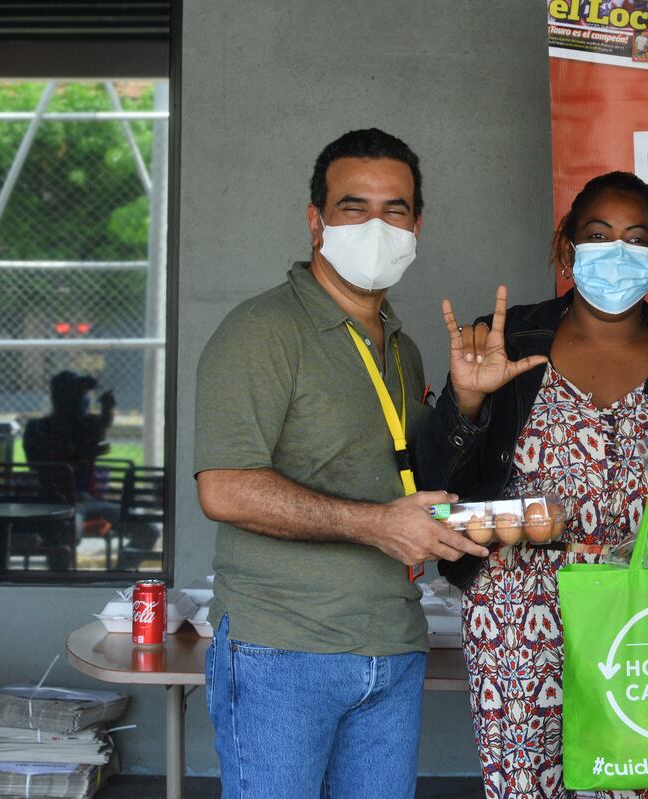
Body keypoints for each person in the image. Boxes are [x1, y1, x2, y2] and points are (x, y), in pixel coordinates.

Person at [193, 127, 487, 798]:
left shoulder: (402, 348)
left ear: (418, 225)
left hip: (392, 643)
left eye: (396, 209)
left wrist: (466, 404)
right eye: (354, 207)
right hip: (281, 649)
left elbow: (413, 480)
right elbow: (226, 488)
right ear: (315, 220)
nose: (376, 226)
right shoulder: (261, 332)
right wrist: (373, 524)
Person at [416, 171, 648, 799]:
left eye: (637, 239)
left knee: (645, 778)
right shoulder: (508, 342)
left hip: (647, 612)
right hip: (519, 616)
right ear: (566, 248)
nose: (618, 252)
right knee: (527, 785)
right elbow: (432, 484)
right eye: (599, 235)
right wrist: (464, 403)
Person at [23, 370, 115, 495]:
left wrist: (107, 409)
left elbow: (102, 425)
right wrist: (81, 454)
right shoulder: (38, 429)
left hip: (64, 498)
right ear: (62, 397)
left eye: (83, 394)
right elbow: (44, 465)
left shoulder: (35, 427)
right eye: (79, 394)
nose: (84, 398)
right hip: (62, 498)